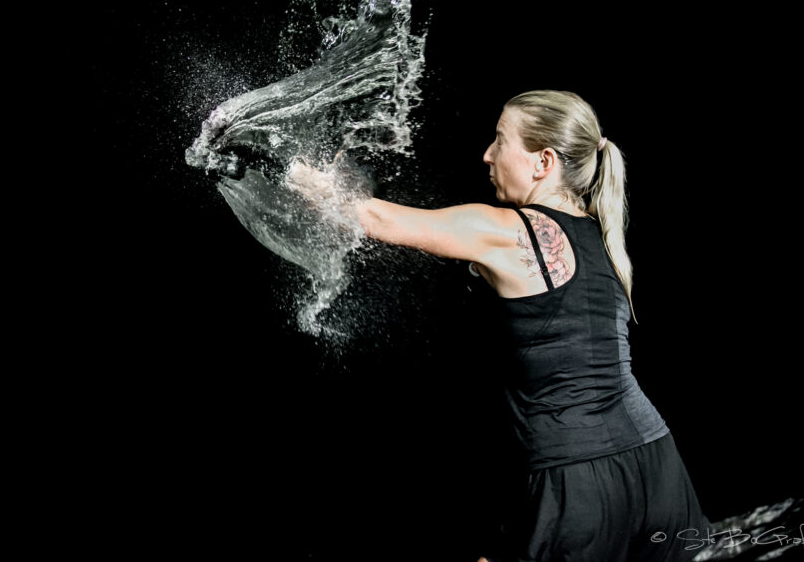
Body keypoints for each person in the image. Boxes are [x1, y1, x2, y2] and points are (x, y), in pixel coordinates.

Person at [287, 90, 712, 561]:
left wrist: (282, 160)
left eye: (500, 140)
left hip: (578, 484)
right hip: (657, 464)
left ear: (542, 162)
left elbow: (372, 216)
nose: (487, 154)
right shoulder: (602, 235)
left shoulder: (513, 230)